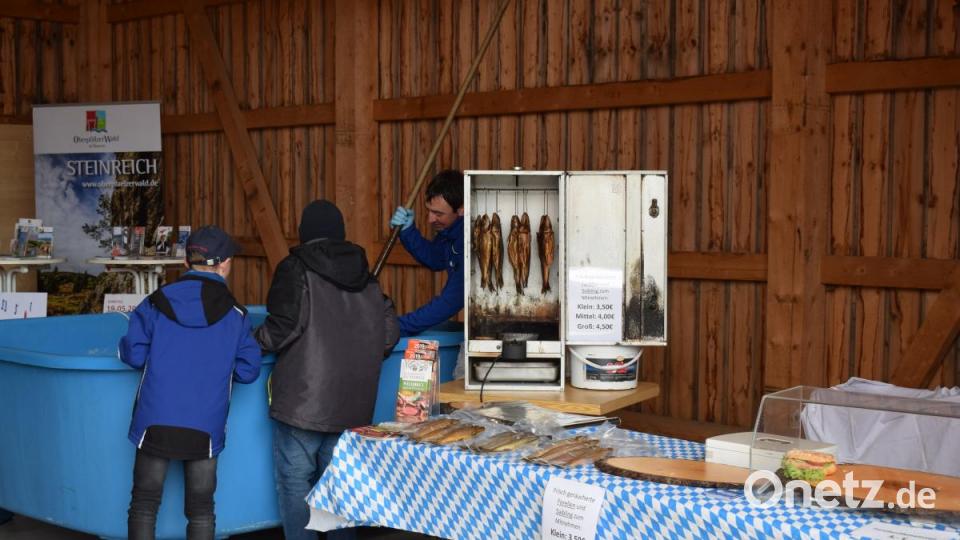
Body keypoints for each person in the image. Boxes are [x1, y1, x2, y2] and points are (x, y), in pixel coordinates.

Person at [255, 200, 399, 540]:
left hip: (304, 402)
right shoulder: (367, 277)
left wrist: (248, 343)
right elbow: (388, 333)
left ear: (304, 233)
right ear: (341, 234)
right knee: (339, 484)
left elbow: (282, 329)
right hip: (353, 404)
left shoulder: (295, 269)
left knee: (295, 481)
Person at [119, 225, 262, 540]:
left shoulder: (155, 303)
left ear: (186, 262)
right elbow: (249, 370)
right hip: (205, 426)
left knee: (144, 504)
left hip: (154, 419)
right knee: (201, 511)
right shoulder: (236, 315)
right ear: (225, 265)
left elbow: (134, 355)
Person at [389, 169, 465, 335]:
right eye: (429, 210)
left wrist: (395, 327)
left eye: (438, 214)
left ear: (461, 209)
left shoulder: (468, 240)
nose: (430, 219)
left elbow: (451, 301)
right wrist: (408, 231)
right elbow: (436, 259)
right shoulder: (450, 231)